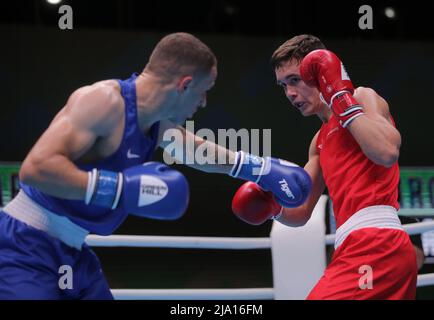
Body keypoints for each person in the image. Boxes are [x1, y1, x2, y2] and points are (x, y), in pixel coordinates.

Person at [0, 32, 311, 300]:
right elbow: (35, 168)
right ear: (184, 85)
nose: (202, 103)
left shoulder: (153, 122)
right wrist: (119, 189)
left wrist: (258, 168)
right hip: (25, 246)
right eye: (203, 92)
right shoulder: (101, 101)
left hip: (74, 252)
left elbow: (196, 151)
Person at [231, 34, 418, 299]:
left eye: (295, 80)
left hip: (376, 245)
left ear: (320, 71)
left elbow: (386, 151)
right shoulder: (318, 141)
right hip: (356, 247)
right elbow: (301, 209)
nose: (290, 93)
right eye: (283, 86)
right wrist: (271, 206)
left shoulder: (362, 97)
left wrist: (340, 98)